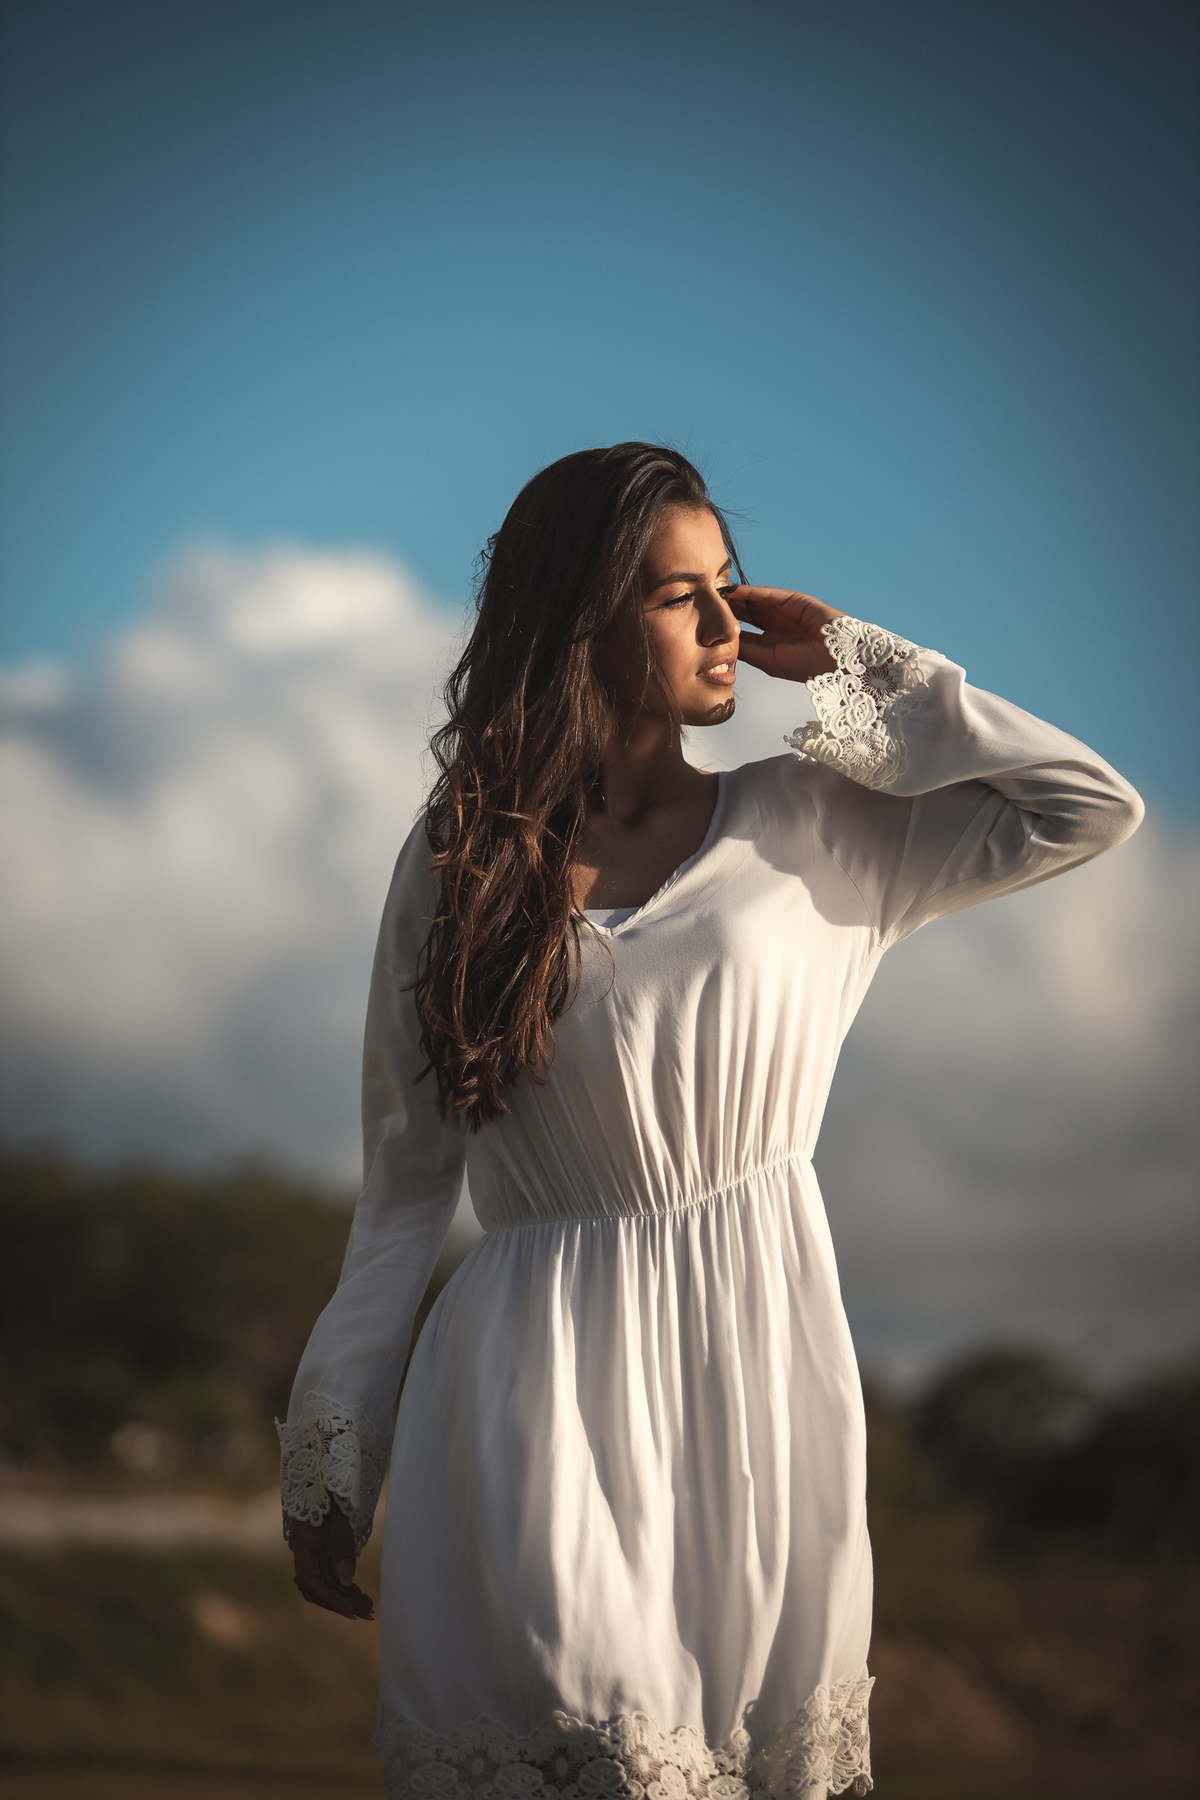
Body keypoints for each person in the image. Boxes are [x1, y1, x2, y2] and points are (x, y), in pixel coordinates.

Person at [277, 443, 1142, 1800]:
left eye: (729, 586)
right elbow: (400, 1191)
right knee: (608, 1744)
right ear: (574, 623)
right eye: (676, 596)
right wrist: (333, 1447)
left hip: (760, 1380)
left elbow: (1088, 807)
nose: (727, 622)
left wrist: (862, 660)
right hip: (528, 1381)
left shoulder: (824, 824)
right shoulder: (464, 864)